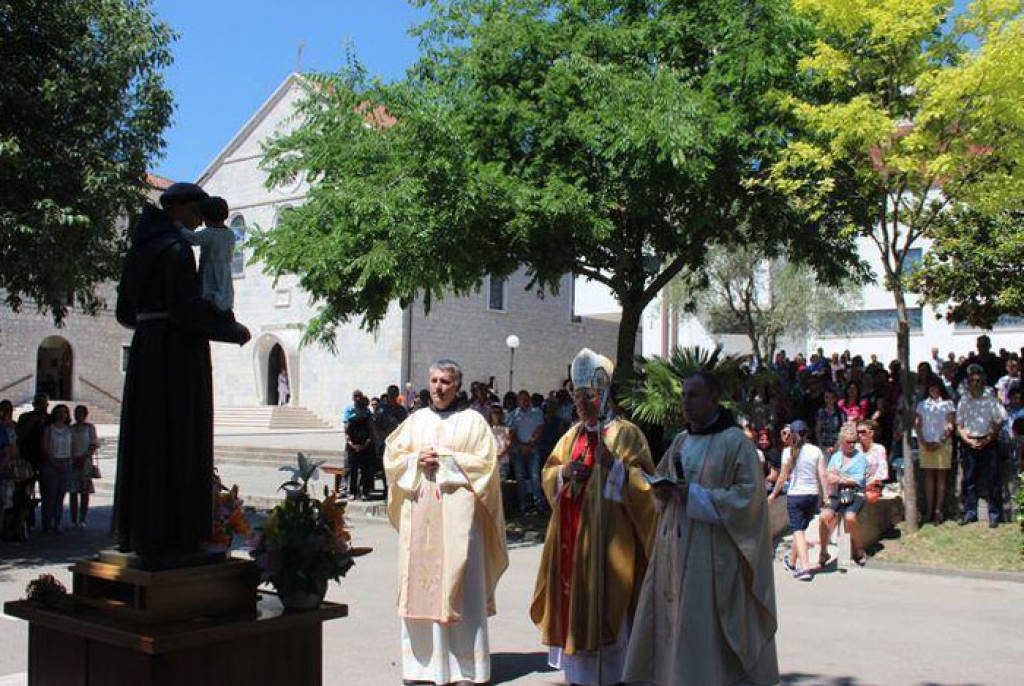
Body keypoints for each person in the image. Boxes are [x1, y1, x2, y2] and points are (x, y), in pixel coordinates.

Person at [114, 182, 250, 559]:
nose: (199, 220)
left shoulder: (142, 248)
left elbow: (125, 312)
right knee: (179, 437)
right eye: (195, 212)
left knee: (147, 441)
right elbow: (187, 311)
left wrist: (151, 322)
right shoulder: (175, 251)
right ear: (180, 209)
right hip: (177, 357)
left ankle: (138, 531)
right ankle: (174, 534)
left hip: (146, 352)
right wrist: (230, 330)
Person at [623, 371, 779, 686]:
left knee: (702, 630)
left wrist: (693, 495)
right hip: (673, 549)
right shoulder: (681, 440)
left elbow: (749, 499)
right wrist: (661, 491)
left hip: (711, 557)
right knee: (673, 624)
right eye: (683, 396)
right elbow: (661, 480)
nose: (685, 403)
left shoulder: (735, 442)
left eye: (693, 395)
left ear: (713, 399)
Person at [530, 349, 656, 685]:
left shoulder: (627, 433)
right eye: (579, 395)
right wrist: (561, 474)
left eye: (591, 395)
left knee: (609, 615)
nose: (584, 402)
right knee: (575, 616)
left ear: (605, 394)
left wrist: (611, 467)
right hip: (572, 542)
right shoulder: (571, 435)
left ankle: (614, 678)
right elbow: (550, 471)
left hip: (609, 544)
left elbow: (646, 489)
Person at [383, 360, 508, 685]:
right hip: (421, 520)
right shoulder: (416, 421)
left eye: (446, 382)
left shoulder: (473, 422)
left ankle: (465, 668)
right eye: (435, 380)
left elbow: (486, 464)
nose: (438, 387)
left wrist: (445, 461)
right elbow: (392, 458)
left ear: (458, 385)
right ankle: (421, 668)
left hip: (460, 526)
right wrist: (414, 459)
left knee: (461, 589)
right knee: (419, 588)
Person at [769, 419, 826, 581]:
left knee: (798, 531)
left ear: (792, 434)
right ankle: (792, 561)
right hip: (812, 495)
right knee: (800, 529)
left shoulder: (788, 452)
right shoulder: (815, 450)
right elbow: (822, 474)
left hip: (795, 496)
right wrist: (827, 495)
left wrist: (773, 494)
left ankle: (805, 567)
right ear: (807, 434)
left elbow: (782, 477)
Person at [957, 364, 1008, 527]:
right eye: (972, 381)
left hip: (988, 442)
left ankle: (994, 514)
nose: (976, 384)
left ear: (983, 381)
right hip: (969, 442)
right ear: (968, 382)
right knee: (969, 480)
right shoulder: (964, 401)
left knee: (993, 479)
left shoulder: (991, 400)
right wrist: (968, 440)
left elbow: (999, 421)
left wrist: (987, 439)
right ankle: (970, 512)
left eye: (979, 381)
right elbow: (959, 424)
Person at [818, 423, 869, 567]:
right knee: (823, 517)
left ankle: (859, 550)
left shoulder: (860, 458)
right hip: (837, 492)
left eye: (854, 442)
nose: (852, 445)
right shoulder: (836, 456)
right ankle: (823, 551)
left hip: (855, 493)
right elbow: (829, 475)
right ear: (842, 442)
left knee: (850, 517)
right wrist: (836, 483)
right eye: (849, 442)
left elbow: (858, 480)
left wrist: (840, 478)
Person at [180, 195, 236, 317]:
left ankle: (213, 305)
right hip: (225, 268)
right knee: (224, 287)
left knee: (210, 288)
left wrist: (179, 228)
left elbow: (193, 238)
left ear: (205, 217)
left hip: (211, 267)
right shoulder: (229, 233)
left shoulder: (210, 233)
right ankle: (224, 305)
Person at [915, 378, 956, 524]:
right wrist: (924, 441)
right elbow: (918, 425)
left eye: (935, 387)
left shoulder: (948, 403)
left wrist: (940, 441)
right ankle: (929, 510)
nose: (933, 390)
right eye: (930, 387)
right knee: (929, 477)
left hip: (942, 443)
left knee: (941, 477)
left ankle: (939, 510)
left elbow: (950, 425)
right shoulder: (922, 404)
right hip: (926, 442)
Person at [507, 389, 545, 514]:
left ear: (529, 399)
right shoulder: (513, 415)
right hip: (518, 449)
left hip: (533, 448)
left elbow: (539, 429)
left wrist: (530, 444)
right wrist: (521, 445)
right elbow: (511, 433)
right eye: (521, 399)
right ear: (518, 401)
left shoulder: (537, 412)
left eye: (526, 398)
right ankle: (524, 505)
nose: (524, 401)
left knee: (535, 477)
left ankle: (539, 504)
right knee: (520, 477)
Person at [40, 404, 72, 533]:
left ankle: (57, 522)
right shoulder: (49, 429)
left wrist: (69, 461)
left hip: (65, 463)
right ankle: (47, 523)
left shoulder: (69, 430)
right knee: (50, 495)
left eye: (64, 412)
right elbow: (45, 447)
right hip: (50, 463)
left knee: (61, 495)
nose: (62, 415)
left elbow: (72, 446)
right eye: (59, 412)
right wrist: (53, 461)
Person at [68, 405, 99, 529]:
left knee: (84, 491)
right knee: (73, 491)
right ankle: (73, 518)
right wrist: (73, 457)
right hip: (72, 461)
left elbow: (94, 444)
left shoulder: (90, 428)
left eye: (81, 413)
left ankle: (82, 519)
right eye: (77, 413)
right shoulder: (71, 428)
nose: (78, 415)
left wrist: (84, 456)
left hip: (85, 462)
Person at [344, 391, 375, 500]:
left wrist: (363, 445)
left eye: (360, 408)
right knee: (353, 470)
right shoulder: (351, 420)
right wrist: (352, 445)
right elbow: (347, 434)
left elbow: (371, 434)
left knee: (365, 470)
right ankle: (352, 491)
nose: (359, 410)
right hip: (353, 448)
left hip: (365, 448)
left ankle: (365, 492)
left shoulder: (368, 419)